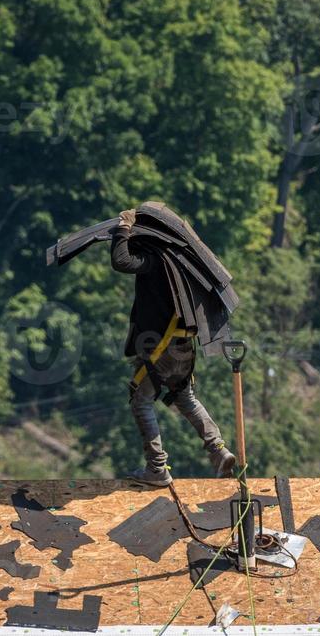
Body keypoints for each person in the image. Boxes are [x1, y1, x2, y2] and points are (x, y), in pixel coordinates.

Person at [111, 208, 237, 487]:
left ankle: (156, 469)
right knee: (184, 397)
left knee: (141, 401)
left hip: (162, 347)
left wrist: (122, 228)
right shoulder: (180, 260)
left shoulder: (155, 260)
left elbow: (121, 261)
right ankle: (218, 450)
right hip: (184, 345)